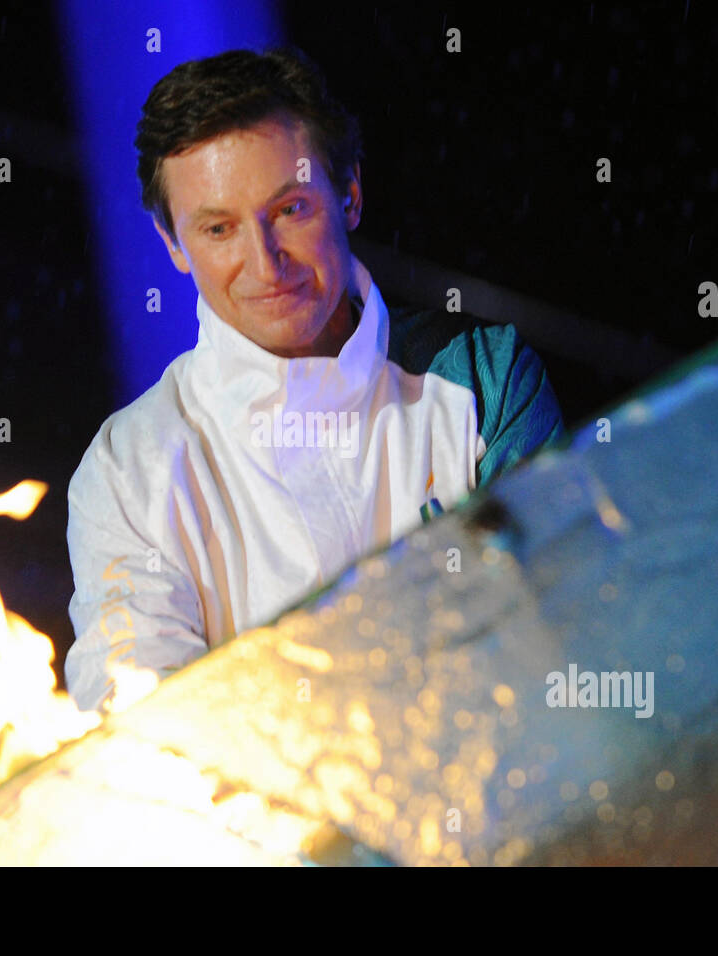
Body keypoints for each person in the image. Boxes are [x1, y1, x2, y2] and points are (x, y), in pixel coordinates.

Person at [65, 47, 564, 714]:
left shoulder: (483, 378)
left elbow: (561, 620)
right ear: (174, 246)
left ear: (349, 193)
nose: (265, 265)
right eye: (218, 229)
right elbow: (140, 721)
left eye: (290, 210)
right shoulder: (128, 469)